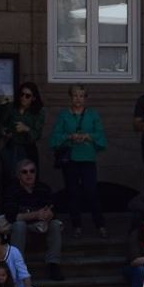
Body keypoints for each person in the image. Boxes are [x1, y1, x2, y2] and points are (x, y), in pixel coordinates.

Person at [48, 84, 108, 234]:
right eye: (75, 96)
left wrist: (88, 136)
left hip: (88, 158)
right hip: (71, 160)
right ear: (70, 97)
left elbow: (101, 136)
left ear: (86, 98)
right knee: (72, 193)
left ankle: (100, 225)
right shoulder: (64, 115)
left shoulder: (92, 114)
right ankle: (77, 226)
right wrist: (70, 137)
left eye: (81, 96)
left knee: (92, 192)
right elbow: (54, 137)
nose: (78, 99)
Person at [0, 159, 66, 280]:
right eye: (24, 172)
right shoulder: (12, 190)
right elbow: (11, 216)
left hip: (41, 224)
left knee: (56, 224)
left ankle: (53, 264)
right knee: (19, 225)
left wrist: (49, 214)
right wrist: (35, 214)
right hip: (21, 226)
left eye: (32, 171)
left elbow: (53, 208)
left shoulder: (44, 188)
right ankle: (17, 265)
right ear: (18, 175)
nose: (29, 174)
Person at [0, 81, 44, 190]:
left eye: (27, 96)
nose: (23, 98)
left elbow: (37, 134)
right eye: (22, 94)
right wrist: (4, 131)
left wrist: (26, 128)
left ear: (33, 98)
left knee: (29, 179)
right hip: (12, 147)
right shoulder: (11, 108)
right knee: (10, 179)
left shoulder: (38, 112)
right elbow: (1, 124)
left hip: (28, 149)